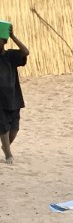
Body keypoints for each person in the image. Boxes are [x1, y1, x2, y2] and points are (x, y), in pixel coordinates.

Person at [0, 22, 28, 165]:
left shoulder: (10, 55)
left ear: (4, 41)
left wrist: (13, 36)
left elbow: (25, 52)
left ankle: (5, 147)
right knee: (3, 127)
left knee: (14, 129)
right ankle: (8, 154)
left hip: (14, 97)